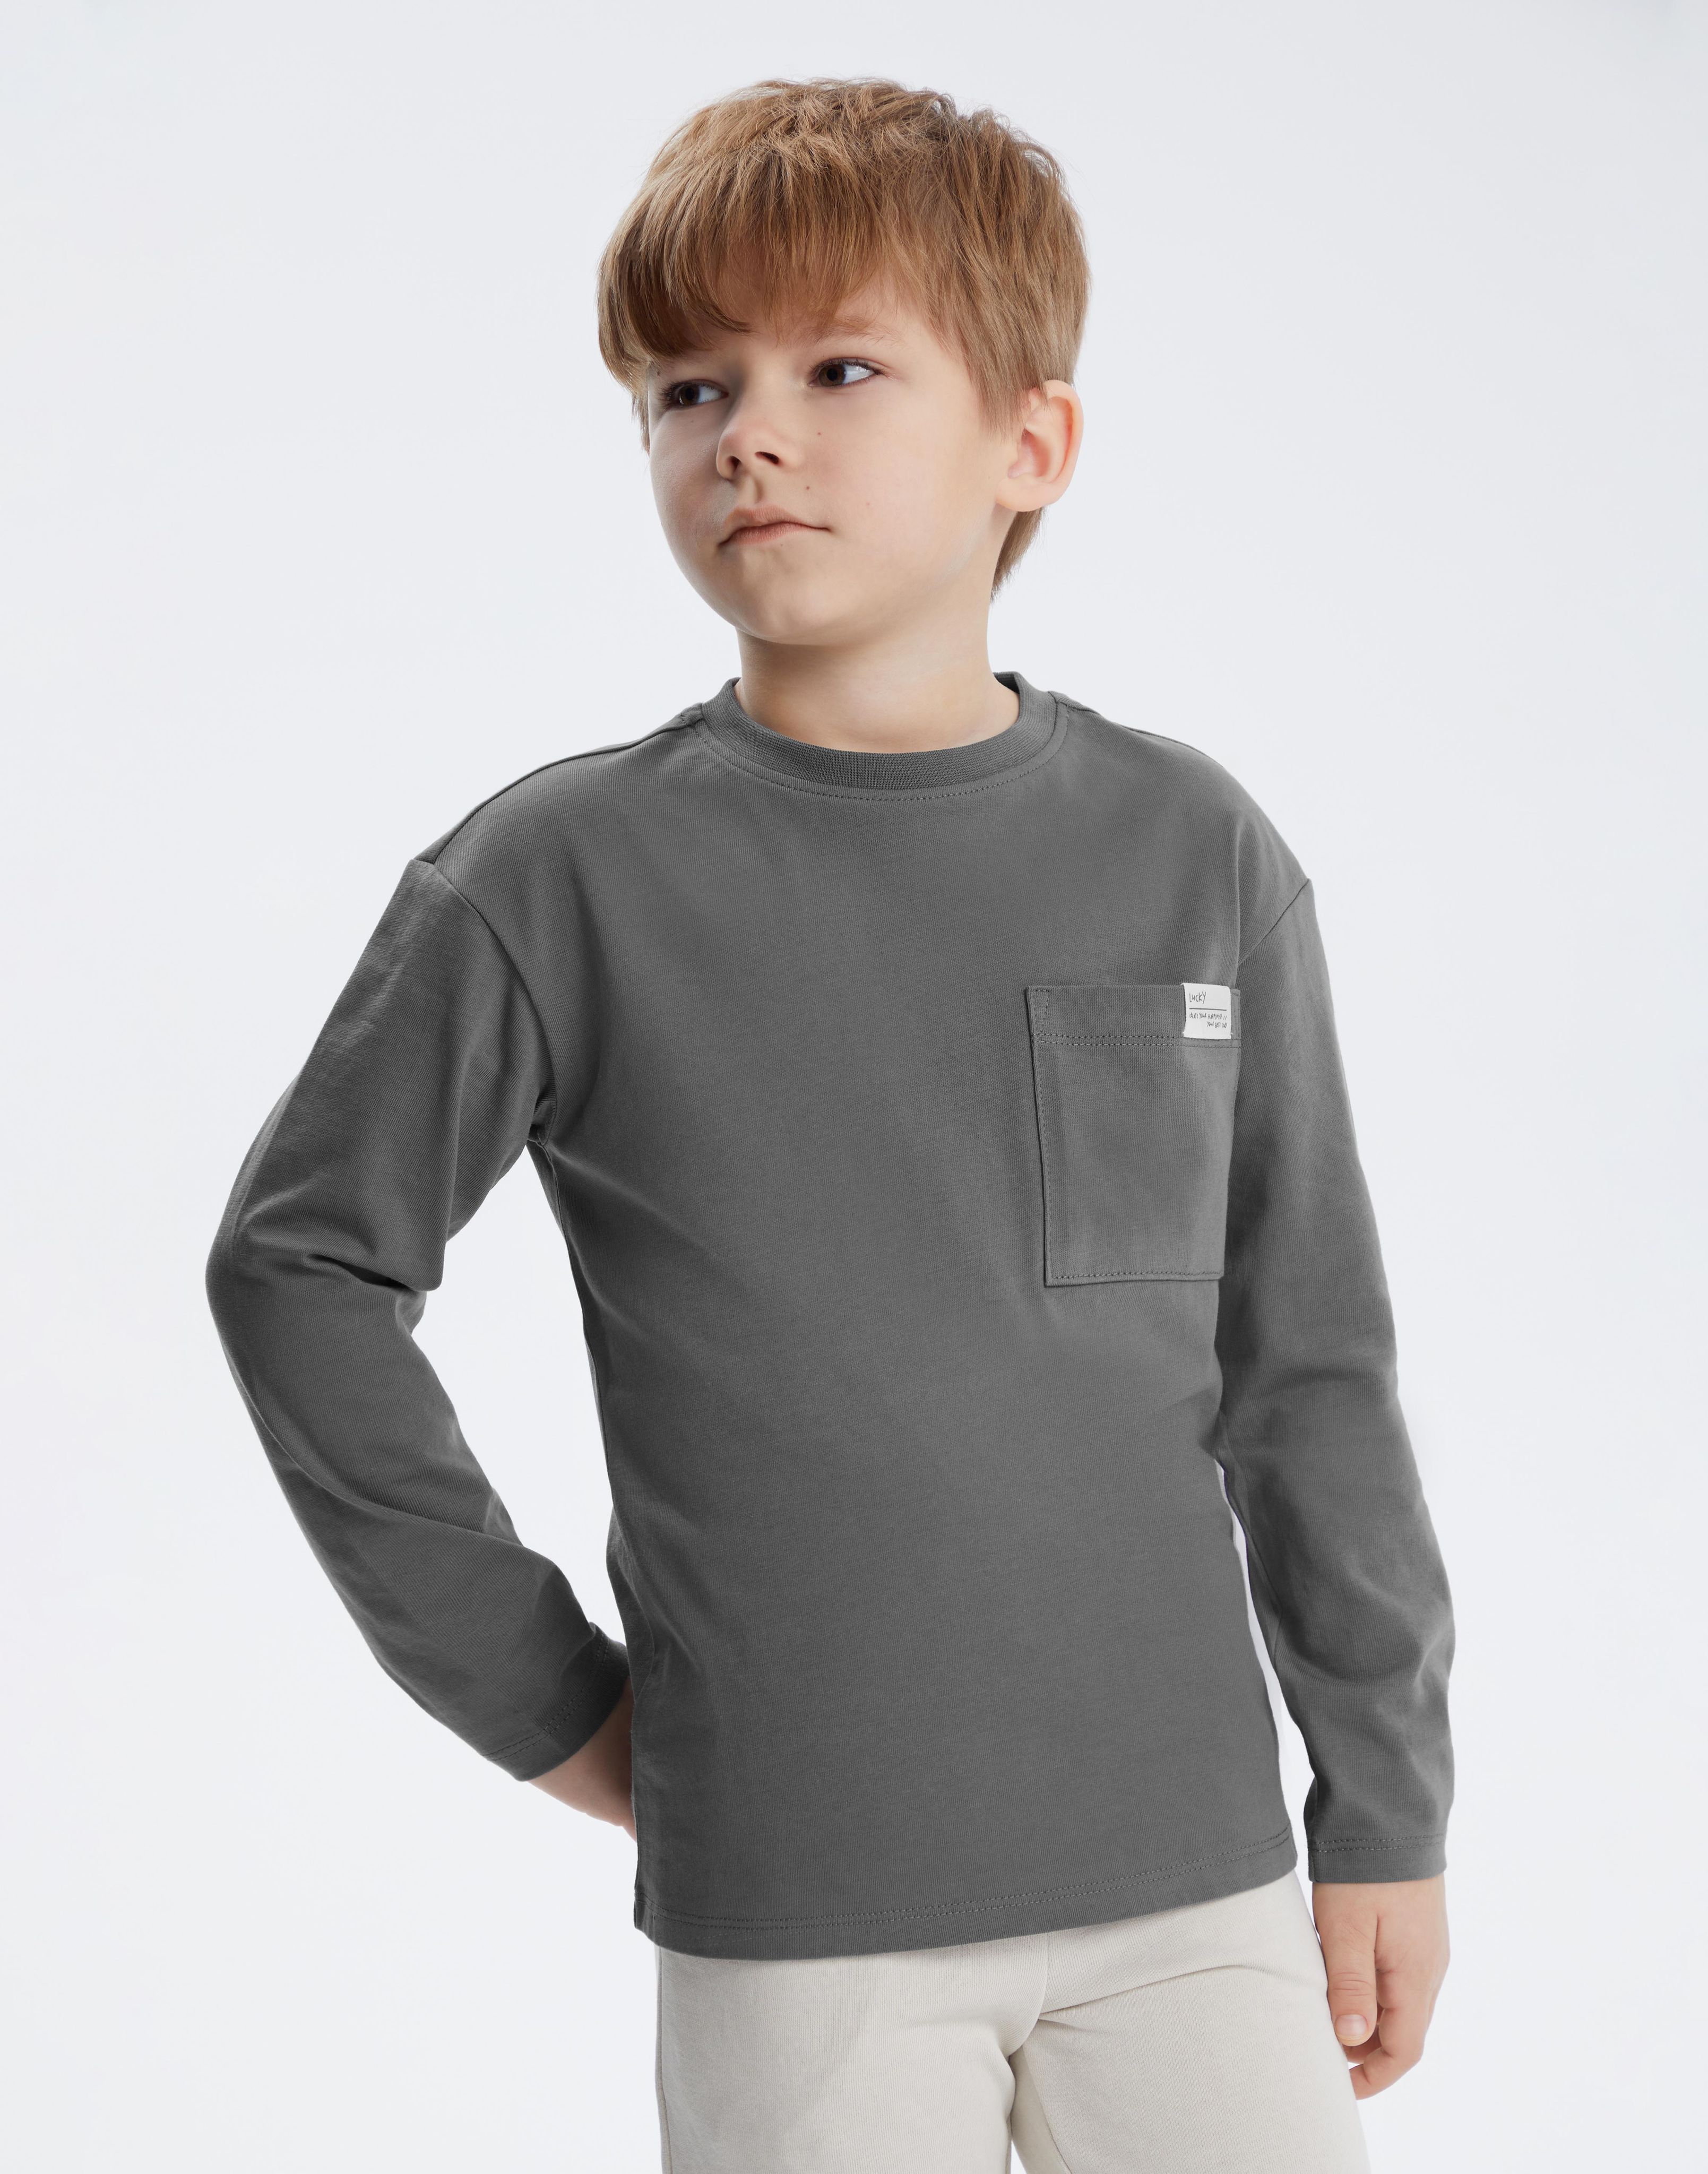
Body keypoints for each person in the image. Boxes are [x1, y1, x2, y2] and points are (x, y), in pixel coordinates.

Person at [205, 76, 1454, 2173]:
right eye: (688, 389)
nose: (747, 435)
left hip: (1196, 1876)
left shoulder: (1193, 848)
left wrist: (1387, 1804)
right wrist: (542, 1695)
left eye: (838, 370)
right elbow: (301, 1268)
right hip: (799, 1902)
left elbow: (1308, 1361)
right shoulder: (555, 876)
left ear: (1030, 445)